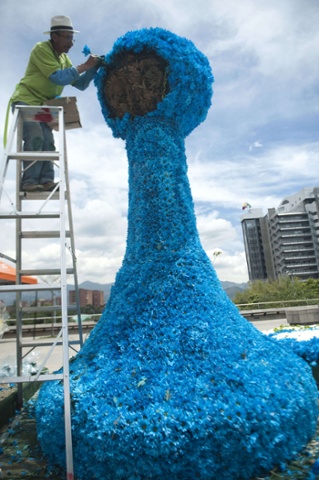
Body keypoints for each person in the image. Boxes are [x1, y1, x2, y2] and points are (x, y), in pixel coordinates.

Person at [11, 15, 100, 192]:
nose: (71, 43)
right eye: (67, 37)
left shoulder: (64, 60)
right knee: (35, 135)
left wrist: (93, 68)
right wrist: (84, 65)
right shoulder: (41, 49)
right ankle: (29, 181)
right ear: (54, 36)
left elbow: (80, 84)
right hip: (26, 100)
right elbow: (59, 78)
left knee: (48, 141)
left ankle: (45, 180)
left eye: (72, 38)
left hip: (43, 106)